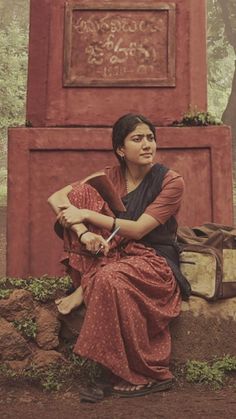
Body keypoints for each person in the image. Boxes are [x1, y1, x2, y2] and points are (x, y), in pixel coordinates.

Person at [48, 113, 190, 400]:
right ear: (120, 149)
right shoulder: (109, 177)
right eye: (137, 139)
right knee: (82, 194)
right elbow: (57, 198)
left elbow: (138, 230)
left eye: (150, 138)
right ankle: (91, 282)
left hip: (154, 261)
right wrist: (85, 233)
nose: (147, 144)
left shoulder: (171, 182)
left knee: (108, 278)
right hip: (113, 253)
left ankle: (115, 373)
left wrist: (88, 215)